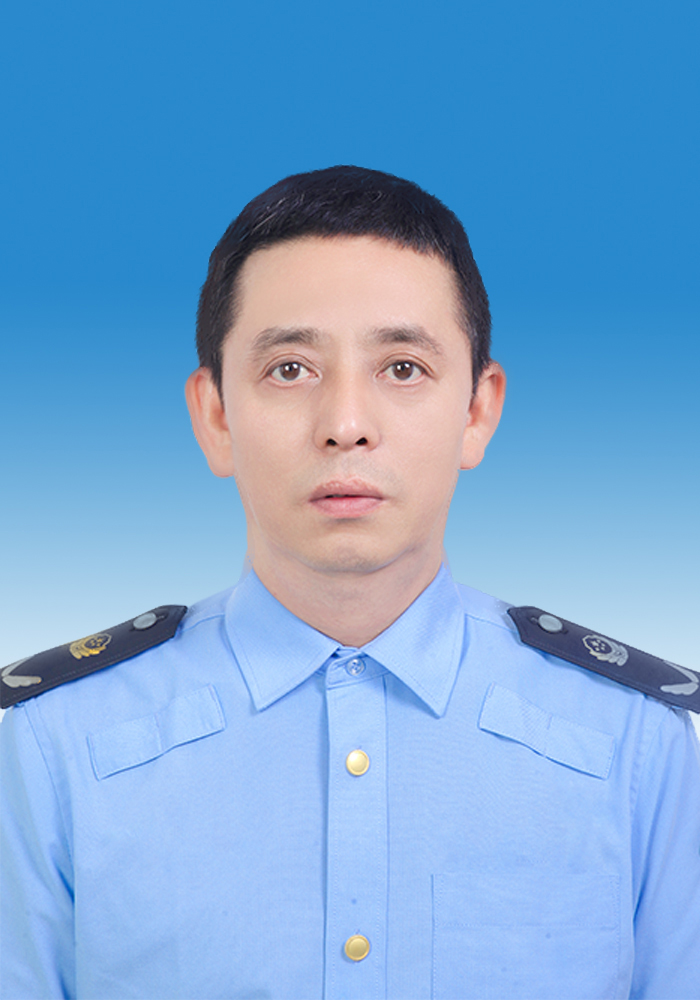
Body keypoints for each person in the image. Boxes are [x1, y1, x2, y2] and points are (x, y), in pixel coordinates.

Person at [1, 165, 699, 1000]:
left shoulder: (638, 746)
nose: (345, 426)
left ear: (478, 410)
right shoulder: (51, 747)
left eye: (402, 368)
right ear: (215, 415)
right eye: (290, 369)